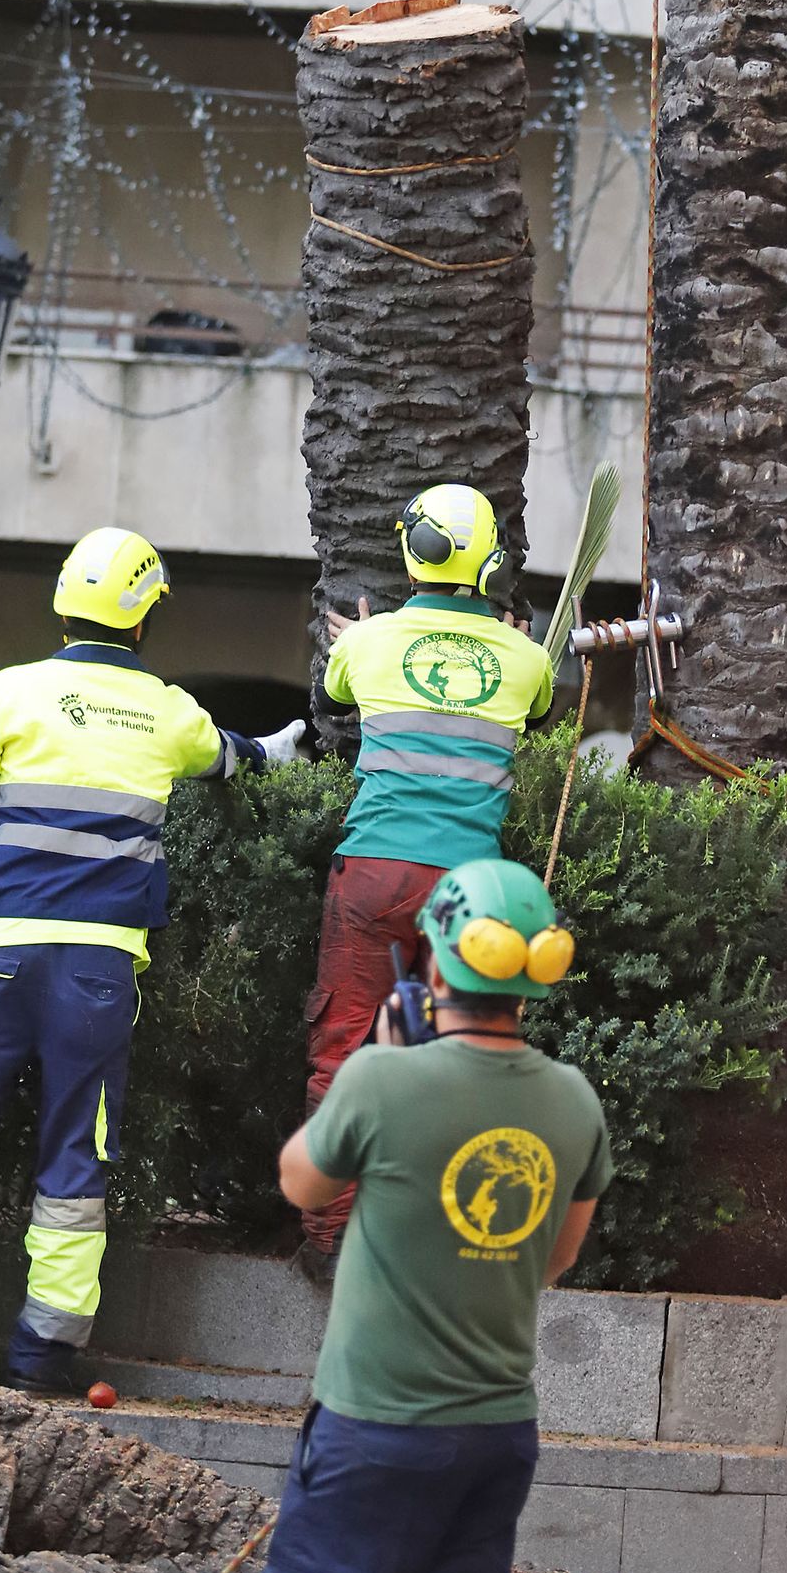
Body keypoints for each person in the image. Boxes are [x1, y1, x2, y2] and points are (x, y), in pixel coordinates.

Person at [0, 525, 306, 1391]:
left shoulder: (6, 693)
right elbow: (232, 758)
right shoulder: (167, 709)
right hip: (98, 969)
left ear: (63, 602)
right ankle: (41, 1355)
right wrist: (276, 748)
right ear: (145, 620)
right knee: (75, 1155)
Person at [245, 857, 610, 1573]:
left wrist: (381, 1063)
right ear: (537, 971)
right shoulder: (574, 1101)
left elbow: (302, 1183)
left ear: (440, 963)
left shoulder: (383, 1078)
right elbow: (555, 1256)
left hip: (374, 1429)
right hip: (497, 1435)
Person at [301, 482, 555, 1272]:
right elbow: (540, 709)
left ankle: (330, 1239)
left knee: (345, 1049)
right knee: (458, 1059)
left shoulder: (367, 645)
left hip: (373, 874)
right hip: (471, 897)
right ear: (490, 566)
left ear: (412, 554)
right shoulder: (524, 659)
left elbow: (333, 699)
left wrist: (368, 638)